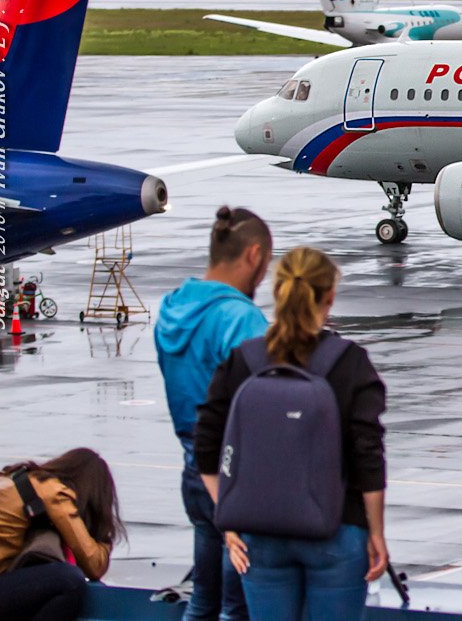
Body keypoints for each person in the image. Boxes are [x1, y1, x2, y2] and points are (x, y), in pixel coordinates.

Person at [195, 246, 387, 621]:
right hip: (337, 528)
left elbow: (205, 448)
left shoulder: (244, 359)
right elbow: (369, 456)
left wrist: (229, 518)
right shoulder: (350, 363)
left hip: (261, 533)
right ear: (329, 297)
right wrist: (375, 532)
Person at [155, 206, 272, 621]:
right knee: (237, 605)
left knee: (203, 599)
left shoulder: (172, 308)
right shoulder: (241, 320)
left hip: (194, 468)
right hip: (235, 477)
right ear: (254, 256)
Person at [0, 447, 124, 621]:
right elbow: (94, 564)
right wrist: (104, 538)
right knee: (68, 581)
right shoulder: (51, 490)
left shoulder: (5, 477)